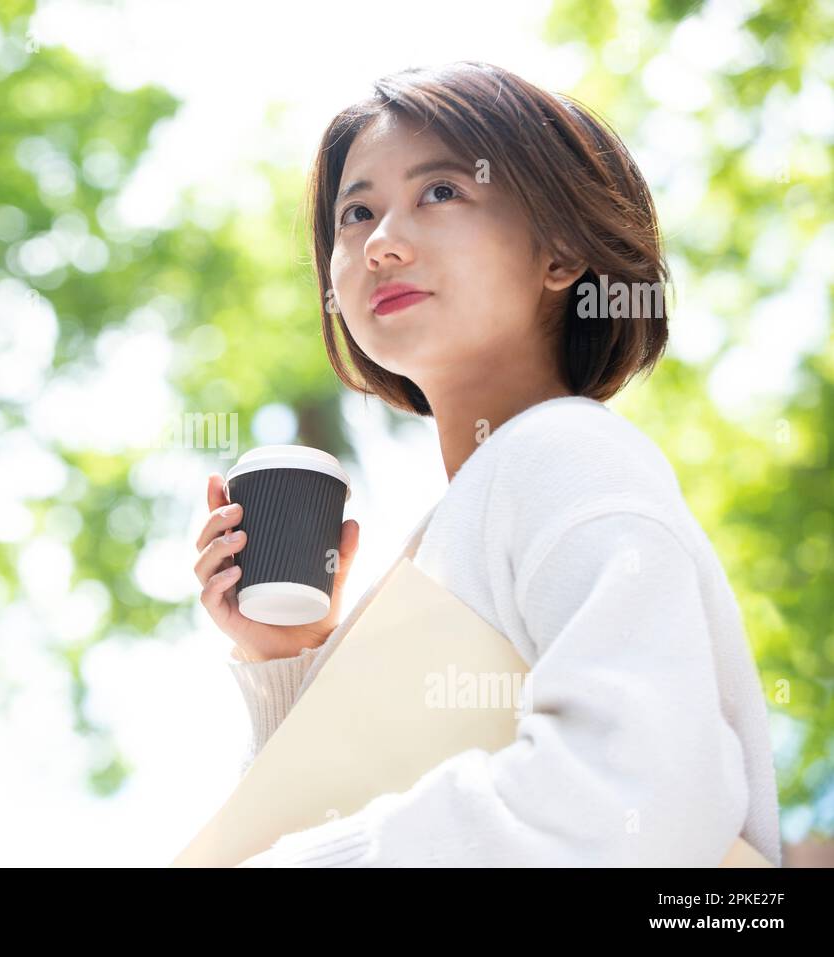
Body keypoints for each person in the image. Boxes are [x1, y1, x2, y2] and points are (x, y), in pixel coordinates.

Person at [192, 61, 782, 867]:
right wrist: (286, 660)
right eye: (356, 212)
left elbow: (647, 793)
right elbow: (341, 805)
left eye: (440, 192)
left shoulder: (564, 451)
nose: (382, 243)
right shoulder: (454, 530)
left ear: (560, 252)